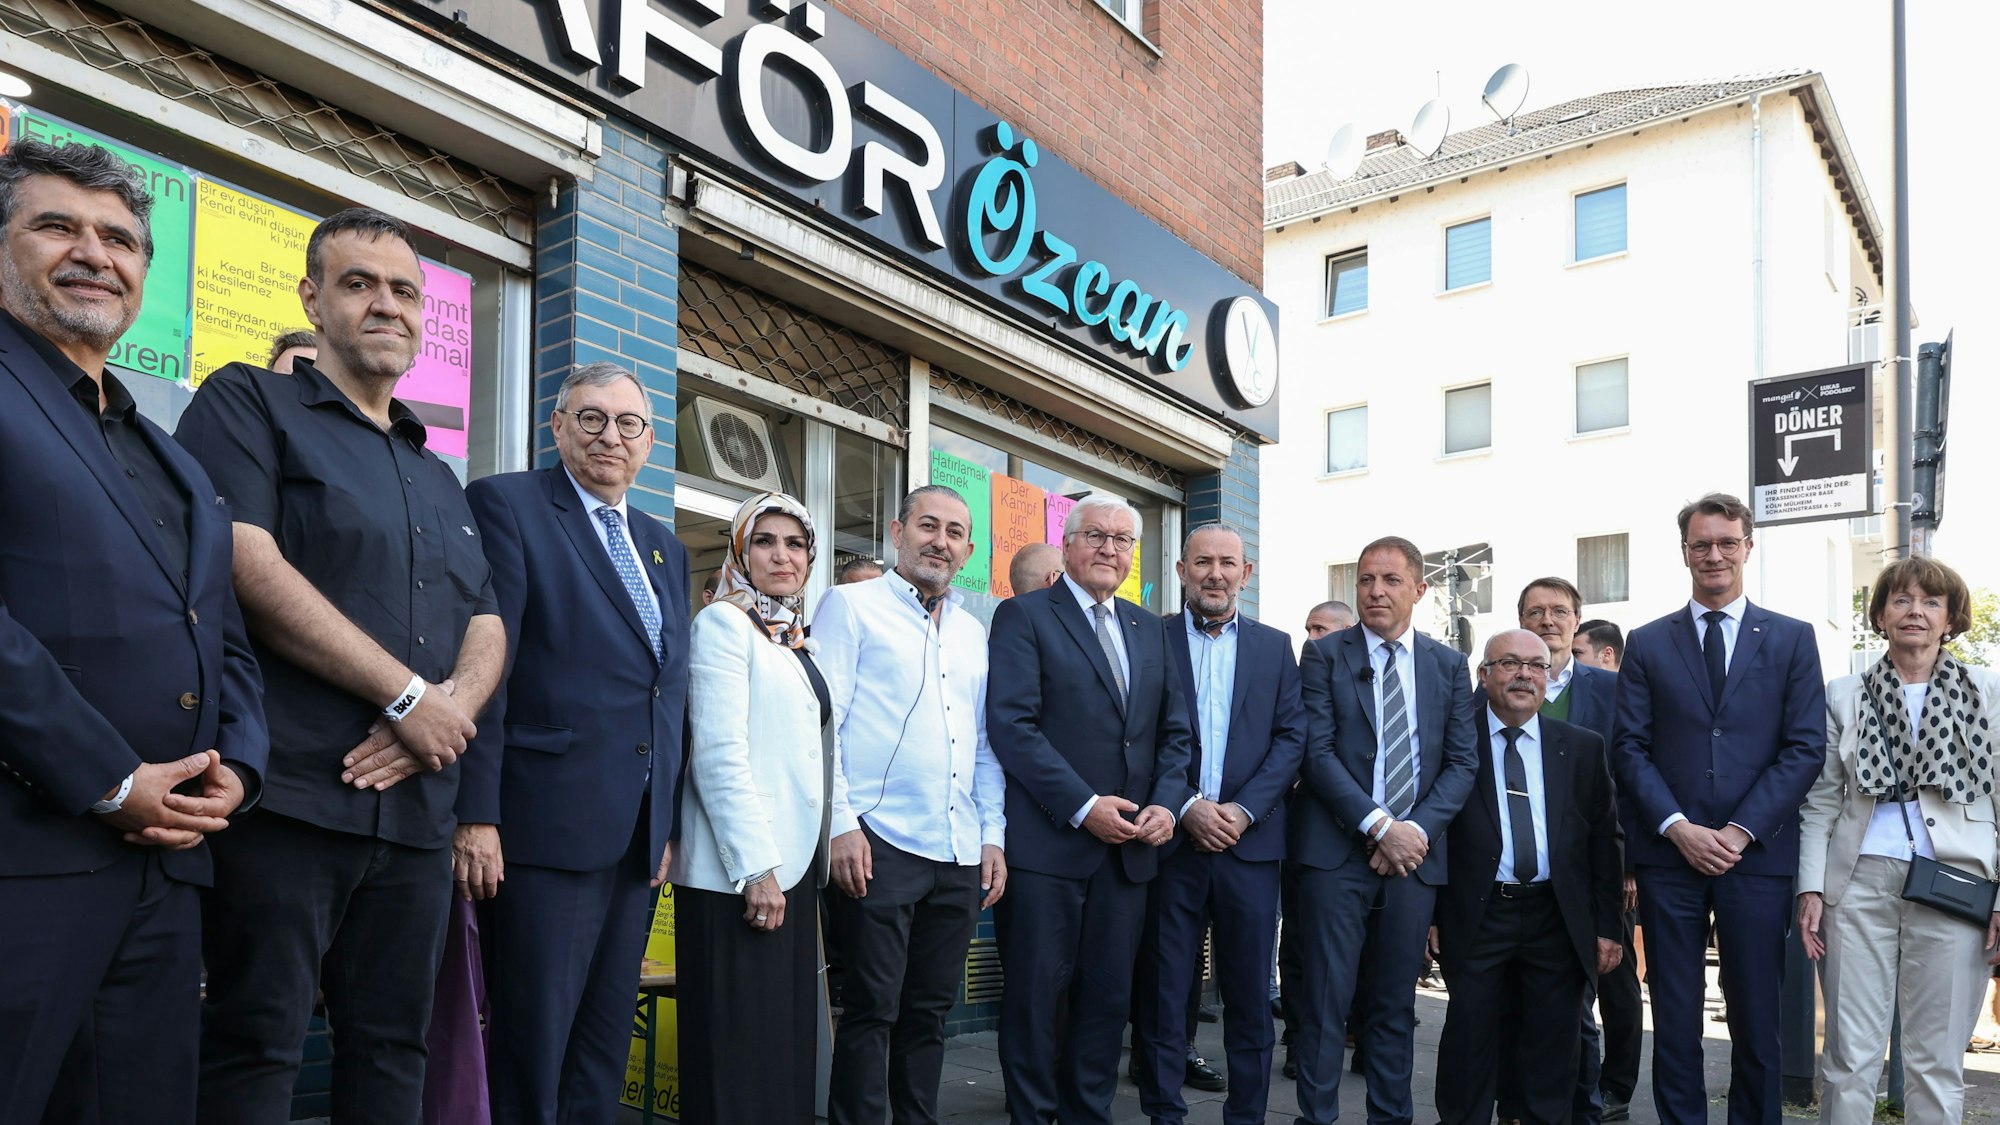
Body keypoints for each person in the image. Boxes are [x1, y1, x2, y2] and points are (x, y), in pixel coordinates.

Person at [178, 207, 506, 1123]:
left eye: (404, 289)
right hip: (289, 798)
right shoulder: (249, 400)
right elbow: (247, 559)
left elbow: (486, 618)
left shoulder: (433, 469)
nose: (385, 305)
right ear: (312, 298)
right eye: (359, 283)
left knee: (393, 1050)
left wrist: (442, 715)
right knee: (256, 1043)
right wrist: (405, 695)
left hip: (412, 820)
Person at [0, 139, 268, 1125]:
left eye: (119, 239)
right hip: (25, 861)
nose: (94, 253)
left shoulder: (169, 451)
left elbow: (223, 632)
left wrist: (240, 763)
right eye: (56, 226)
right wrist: (107, 779)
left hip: (167, 873)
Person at [454, 361, 691, 1125]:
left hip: (632, 841)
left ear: (650, 443)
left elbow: (667, 692)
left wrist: (666, 824)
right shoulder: (508, 505)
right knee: (531, 1043)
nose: (609, 436)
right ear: (556, 427)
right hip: (541, 829)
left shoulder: (664, 546)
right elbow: (487, 669)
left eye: (628, 423)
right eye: (590, 418)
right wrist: (477, 811)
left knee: (601, 1046)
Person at [1611, 492, 1825, 1125]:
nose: (1714, 554)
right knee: (1674, 1014)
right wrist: (1679, 829)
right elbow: (1629, 748)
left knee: (1757, 1013)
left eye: (1727, 542)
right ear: (1684, 553)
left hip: (1755, 857)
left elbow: (1805, 747)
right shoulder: (1647, 643)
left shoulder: (1792, 638)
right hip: (1669, 856)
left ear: (1747, 548)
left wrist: (1737, 831)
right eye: (1701, 544)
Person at [987, 493, 1194, 1125]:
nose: (1110, 549)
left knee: (1107, 1001)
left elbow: (1174, 734)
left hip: (1130, 852)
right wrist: (1083, 806)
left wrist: (1165, 804)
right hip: (1050, 848)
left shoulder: (1149, 628)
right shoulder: (1024, 617)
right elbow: (1013, 726)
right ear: (1068, 543)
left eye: (1123, 540)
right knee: (1035, 1002)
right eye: (1096, 536)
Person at [816, 485, 1008, 1125]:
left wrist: (993, 836)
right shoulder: (849, 605)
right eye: (929, 526)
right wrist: (840, 824)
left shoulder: (972, 631)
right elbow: (827, 722)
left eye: (955, 532)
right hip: (880, 840)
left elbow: (983, 744)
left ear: (969, 551)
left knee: (929, 1011)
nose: (941, 541)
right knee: (873, 1006)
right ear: (898, 532)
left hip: (955, 847)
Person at [1798, 556, 2000, 1123]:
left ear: (1951, 618)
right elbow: (1819, 799)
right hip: (1857, 883)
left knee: (1936, 1060)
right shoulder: (1844, 694)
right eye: (1902, 600)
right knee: (1848, 1056)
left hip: (1957, 884)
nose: (1915, 611)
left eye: (1931, 602)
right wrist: (1810, 887)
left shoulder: (1987, 691)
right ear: (1881, 615)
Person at [1290, 536, 1479, 1125]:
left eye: (1391, 580)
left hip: (1415, 859)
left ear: (1419, 590)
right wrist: (1379, 827)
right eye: (1366, 579)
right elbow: (1316, 754)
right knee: (1325, 999)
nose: (1375, 590)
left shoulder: (1447, 665)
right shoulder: (1324, 656)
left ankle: (1390, 1117)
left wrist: (1413, 831)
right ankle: (1315, 1117)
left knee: (1396, 1004)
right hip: (1335, 853)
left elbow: (1461, 763)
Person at [1134, 524, 1306, 1125]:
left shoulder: (1275, 646)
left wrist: (1240, 810)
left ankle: (1248, 1115)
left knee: (1250, 996)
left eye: (1227, 563)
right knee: (1164, 991)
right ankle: (1163, 1114)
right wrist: (1187, 806)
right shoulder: (1147, 639)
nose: (1215, 573)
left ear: (1245, 573)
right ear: (1181, 570)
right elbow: (1138, 742)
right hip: (1170, 844)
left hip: (1249, 846)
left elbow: (1291, 739)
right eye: (1202, 562)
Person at [670, 491, 831, 1125]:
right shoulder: (722, 623)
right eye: (765, 541)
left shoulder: (793, 637)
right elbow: (716, 755)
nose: (781, 555)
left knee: (779, 1048)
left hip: (792, 870)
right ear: (740, 549)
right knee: (736, 1054)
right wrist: (756, 868)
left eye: (795, 543)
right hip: (741, 875)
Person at [1433, 629, 1625, 1125]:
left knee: (1552, 1051)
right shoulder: (1453, 743)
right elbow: (1436, 831)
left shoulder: (1582, 748)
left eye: (1536, 666)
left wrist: (1609, 927)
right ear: (1483, 675)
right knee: (1469, 1044)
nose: (1524, 674)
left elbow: (1605, 841)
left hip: (1555, 916)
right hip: (1478, 913)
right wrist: (1431, 917)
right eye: (1509, 663)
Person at [1497, 578, 1636, 1125]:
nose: (1547, 620)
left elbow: (1631, 776)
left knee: (1612, 990)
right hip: (1524, 879)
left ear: (1577, 621)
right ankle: (1559, 1103)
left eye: (1559, 611)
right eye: (1535, 612)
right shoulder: (1496, 690)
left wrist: (1628, 869)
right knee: (1547, 1005)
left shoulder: (1611, 689)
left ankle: (1607, 1094)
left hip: (1596, 873)